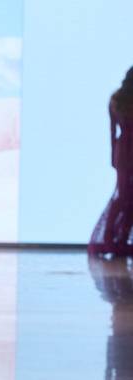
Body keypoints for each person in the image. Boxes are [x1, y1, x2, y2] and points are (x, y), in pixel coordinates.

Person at [89, 66, 133, 257]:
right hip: (125, 150)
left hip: (122, 149)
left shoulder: (116, 99)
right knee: (126, 196)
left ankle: (113, 238)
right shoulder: (118, 99)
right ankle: (117, 238)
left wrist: (113, 156)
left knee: (124, 195)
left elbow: (112, 131)